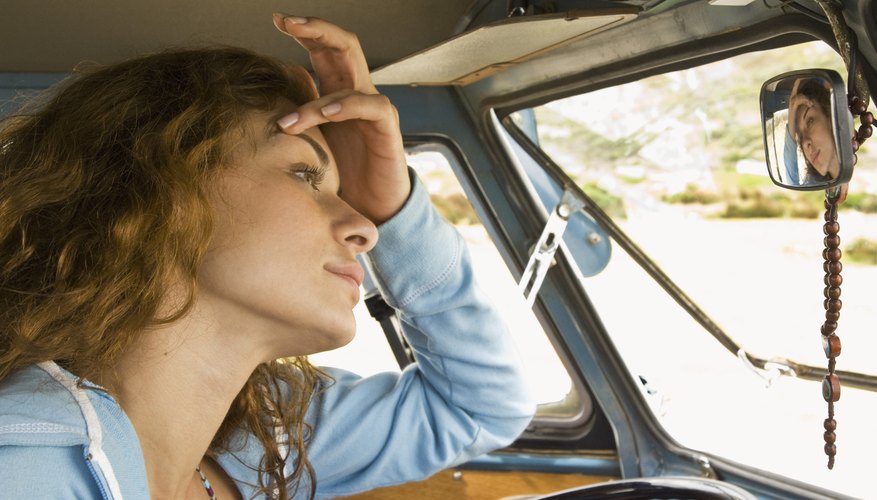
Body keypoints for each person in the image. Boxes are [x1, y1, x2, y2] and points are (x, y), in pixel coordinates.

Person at [0, 14, 535, 499]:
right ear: (161, 193)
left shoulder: (264, 434)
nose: (366, 230)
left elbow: (479, 407)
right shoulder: (27, 467)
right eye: (306, 176)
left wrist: (391, 208)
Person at [788, 77, 840, 183]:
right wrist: (792, 110)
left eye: (810, 122)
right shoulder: (815, 182)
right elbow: (793, 182)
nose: (805, 142)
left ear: (830, 117)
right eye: (800, 136)